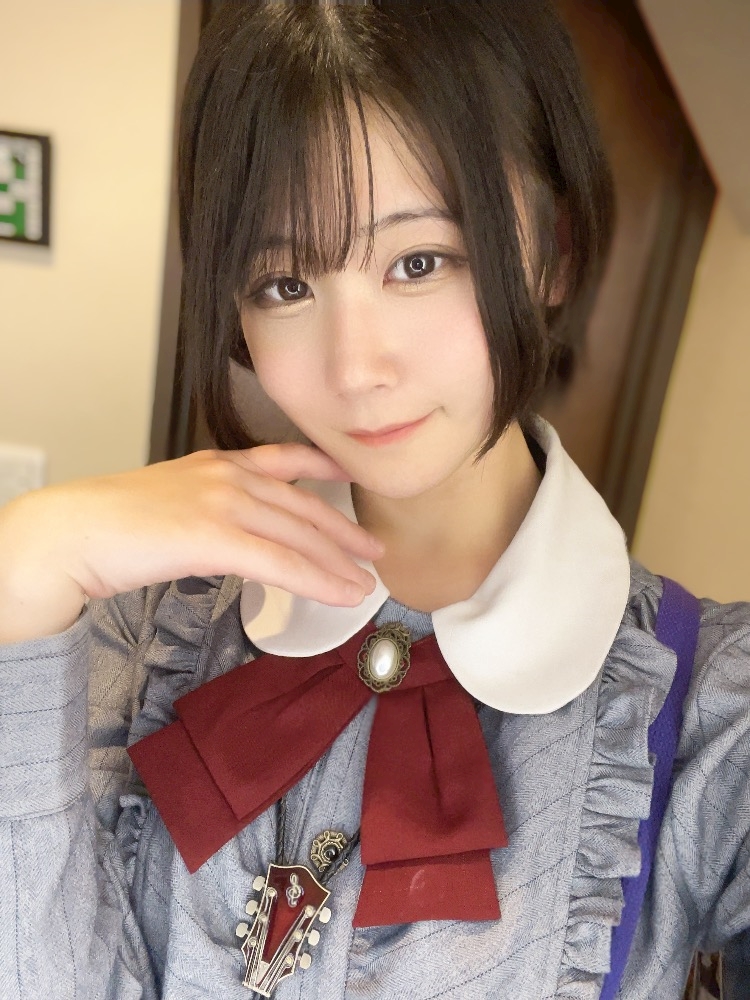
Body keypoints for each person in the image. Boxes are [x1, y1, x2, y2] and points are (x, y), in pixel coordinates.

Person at [0, 2, 747, 998]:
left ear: (555, 252)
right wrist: (25, 562)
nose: (354, 369)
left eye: (419, 262)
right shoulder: (141, 631)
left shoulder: (706, 715)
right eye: (283, 284)